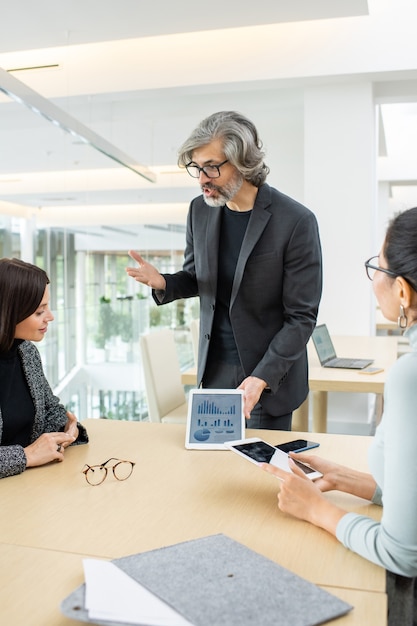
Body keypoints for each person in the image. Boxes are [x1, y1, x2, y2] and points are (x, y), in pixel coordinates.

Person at [262, 206, 417, 625]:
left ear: (403, 291)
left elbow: (402, 553)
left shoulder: (411, 376)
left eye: (377, 268)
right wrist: (357, 482)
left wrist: (316, 509)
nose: (374, 282)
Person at [127, 111, 322, 430]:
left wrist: (261, 378)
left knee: (258, 477)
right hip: (213, 370)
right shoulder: (199, 210)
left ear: (243, 162)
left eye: (212, 167)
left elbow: (301, 318)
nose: (202, 178)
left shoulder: (296, 222)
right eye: (197, 168)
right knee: (211, 471)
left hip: (265, 378)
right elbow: (197, 278)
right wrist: (163, 281)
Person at [0, 258, 88, 479]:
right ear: (8, 313)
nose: (50, 317)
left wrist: (67, 428)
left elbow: (50, 409)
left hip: (27, 487)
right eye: (39, 312)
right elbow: (30, 453)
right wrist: (27, 455)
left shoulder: (26, 351)